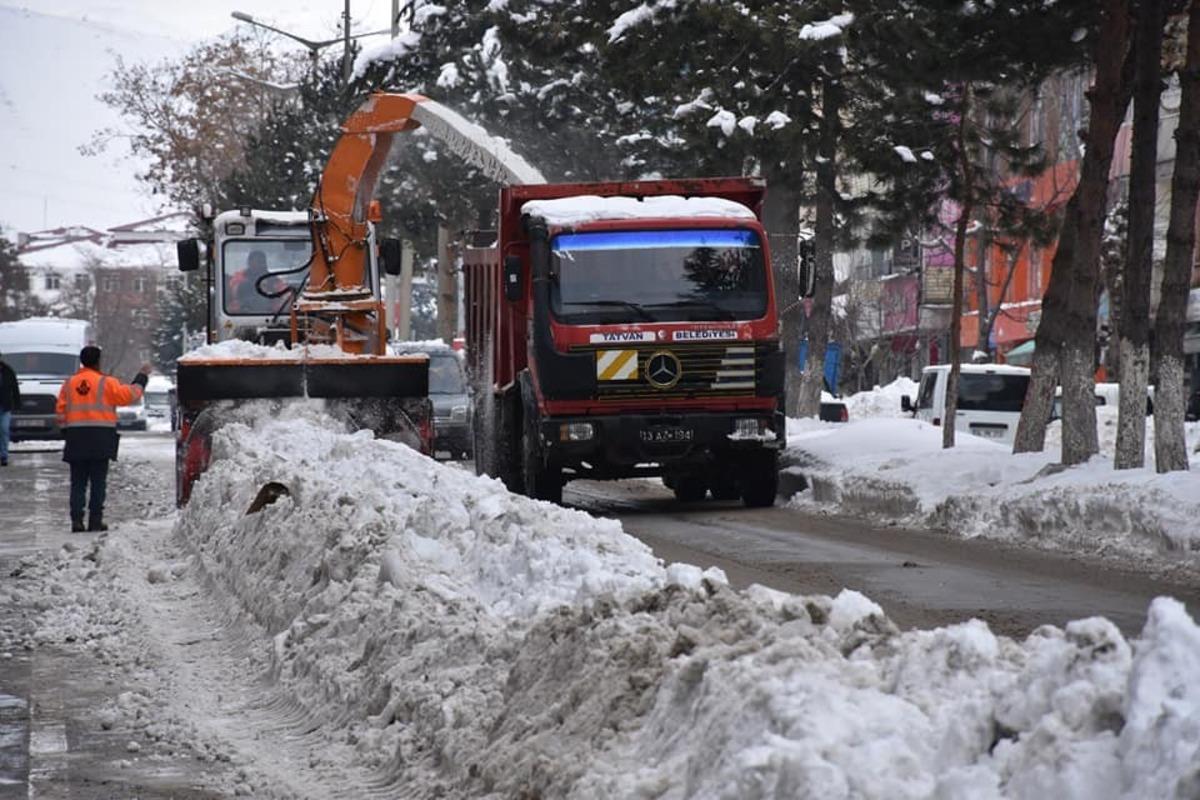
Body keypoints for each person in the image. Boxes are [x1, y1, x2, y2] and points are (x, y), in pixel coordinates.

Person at [55, 346, 150, 532]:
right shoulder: (107, 383)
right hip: (101, 438)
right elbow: (129, 395)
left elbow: (60, 412)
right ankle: (95, 520)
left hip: (76, 438)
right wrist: (142, 376)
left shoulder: (69, 384)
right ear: (98, 361)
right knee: (98, 481)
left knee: (78, 482)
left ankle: (76, 520)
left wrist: (67, 431)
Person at [0, 350, 20, 466]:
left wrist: (17, 403)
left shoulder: (8, 370)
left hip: (5, 406)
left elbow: (14, 387)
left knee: (4, 430)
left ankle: (3, 456)